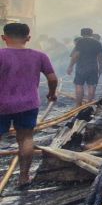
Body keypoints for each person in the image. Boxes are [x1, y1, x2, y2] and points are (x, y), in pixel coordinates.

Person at [0, 23, 58, 187]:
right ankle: (24, 177)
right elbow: (52, 79)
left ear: (4, 38)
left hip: (1, 104)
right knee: (26, 138)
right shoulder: (40, 56)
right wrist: (52, 93)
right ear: (28, 38)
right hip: (28, 104)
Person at [67, 28, 102, 107]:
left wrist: (70, 66)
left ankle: (78, 105)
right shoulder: (97, 43)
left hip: (81, 67)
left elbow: (75, 55)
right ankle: (89, 104)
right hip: (93, 67)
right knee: (92, 85)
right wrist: (101, 68)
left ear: (81, 34)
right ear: (91, 33)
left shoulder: (80, 42)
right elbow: (100, 58)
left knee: (79, 85)